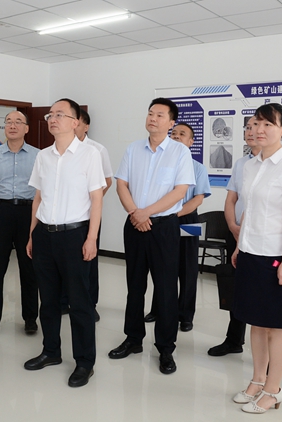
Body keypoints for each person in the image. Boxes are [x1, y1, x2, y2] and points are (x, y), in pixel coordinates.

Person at [231, 103, 282, 414]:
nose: (259, 130)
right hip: (251, 252)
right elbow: (249, 212)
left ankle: (273, 390)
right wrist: (240, 246)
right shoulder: (251, 165)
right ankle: (257, 380)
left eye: (267, 124)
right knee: (256, 322)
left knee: (277, 327)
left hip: (277, 257)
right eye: (255, 124)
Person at [23, 98, 105, 388]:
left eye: (60, 114)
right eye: (50, 115)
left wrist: (92, 238)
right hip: (44, 234)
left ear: (75, 121)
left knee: (80, 303)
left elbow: (97, 199)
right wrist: (32, 234)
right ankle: (51, 351)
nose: (53, 119)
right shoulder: (43, 156)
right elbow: (38, 198)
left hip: (74, 235)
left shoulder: (89, 154)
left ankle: (84, 362)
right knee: (48, 299)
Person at [108, 98, 195, 375]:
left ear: (171, 122)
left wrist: (146, 212)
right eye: (150, 113)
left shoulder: (180, 152)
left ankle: (166, 348)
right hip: (134, 224)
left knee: (166, 289)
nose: (152, 118)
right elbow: (121, 184)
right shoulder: (133, 149)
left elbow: (180, 191)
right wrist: (136, 213)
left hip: (164, 226)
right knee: (134, 285)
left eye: (159, 115)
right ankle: (133, 339)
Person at [143, 122, 210, 332]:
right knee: (161, 266)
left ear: (191, 142)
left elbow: (198, 199)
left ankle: (185, 315)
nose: (177, 136)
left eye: (182, 134)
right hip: (162, 220)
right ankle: (158, 309)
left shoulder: (198, 168)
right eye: (174, 133)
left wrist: (173, 214)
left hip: (187, 220)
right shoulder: (160, 163)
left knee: (187, 269)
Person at [0, 111, 40, 338]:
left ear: (26, 128)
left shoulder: (38, 155)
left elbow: (42, 189)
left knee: (29, 267)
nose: (12, 126)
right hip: (1, 211)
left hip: (28, 212)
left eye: (18, 122)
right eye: (8, 122)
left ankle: (30, 319)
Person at [208, 116, 260, 357]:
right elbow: (231, 199)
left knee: (261, 293)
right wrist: (232, 225)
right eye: (247, 127)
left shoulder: (280, 164)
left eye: (256, 126)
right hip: (237, 234)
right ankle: (234, 340)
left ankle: (266, 354)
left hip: (261, 238)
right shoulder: (241, 163)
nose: (251, 131)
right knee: (236, 288)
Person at [65, 108, 112, 321]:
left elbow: (107, 181)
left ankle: (90, 303)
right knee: (65, 260)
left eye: (77, 122)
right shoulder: (61, 148)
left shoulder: (97, 150)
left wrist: (91, 203)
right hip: (66, 217)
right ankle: (65, 300)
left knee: (89, 260)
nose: (73, 125)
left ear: (86, 126)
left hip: (88, 215)